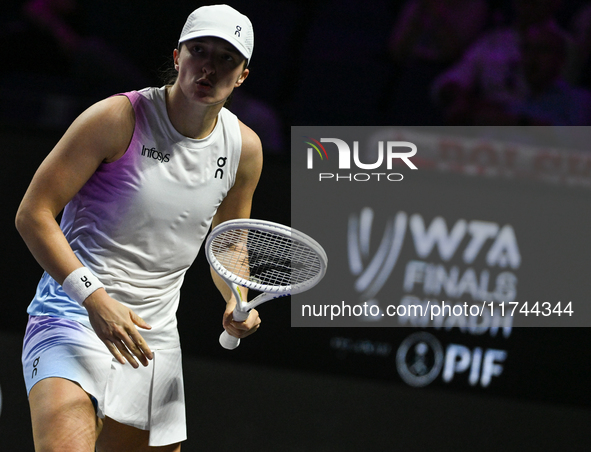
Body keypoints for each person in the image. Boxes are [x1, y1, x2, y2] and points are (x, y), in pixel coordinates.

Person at [15, 5, 262, 451]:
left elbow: (230, 241)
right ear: (177, 55)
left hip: (152, 339)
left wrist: (235, 297)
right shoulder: (117, 118)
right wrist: (95, 298)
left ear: (243, 75)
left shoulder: (244, 148)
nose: (208, 66)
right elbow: (33, 214)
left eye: (226, 58)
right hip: (73, 316)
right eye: (198, 50)